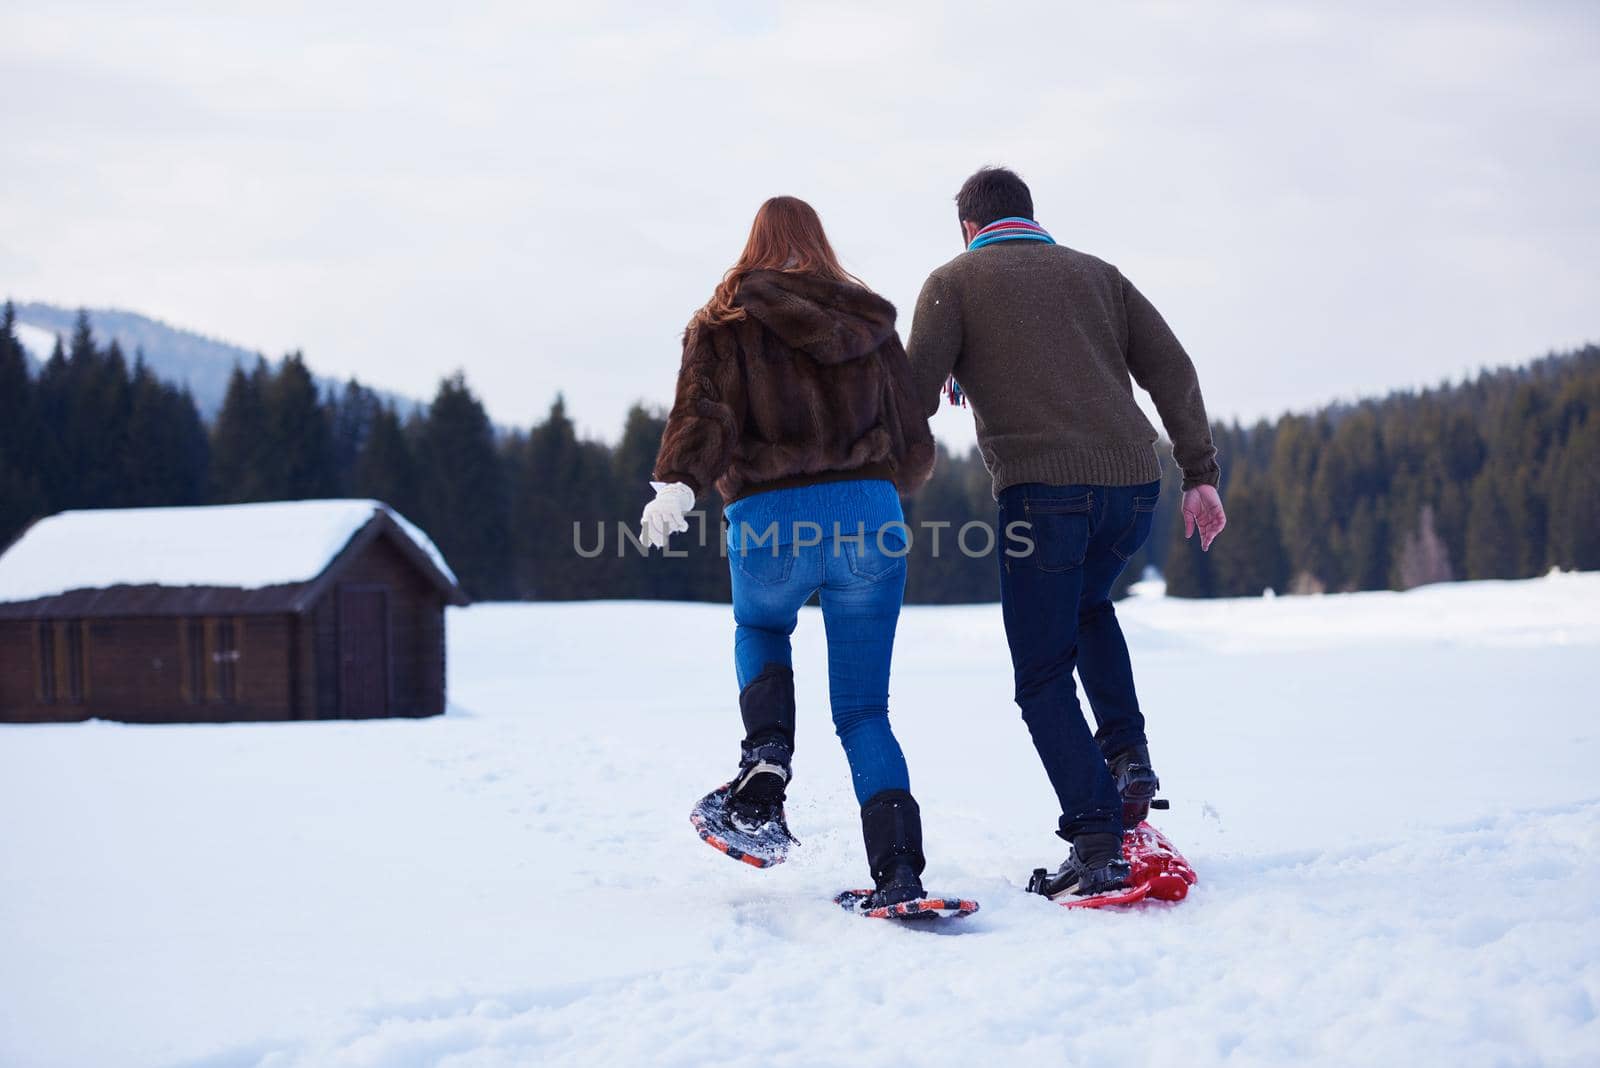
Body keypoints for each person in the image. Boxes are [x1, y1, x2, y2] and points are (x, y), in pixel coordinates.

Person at [906, 166, 1228, 898]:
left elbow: (911, 393)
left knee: (1041, 673)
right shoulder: (1097, 274)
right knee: (1089, 607)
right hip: (1133, 486)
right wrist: (1200, 471)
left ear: (967, 227)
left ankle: (1095, 836)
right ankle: (1126, 759)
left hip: (1044, 494)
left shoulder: (952, 282)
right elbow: (1172, 368)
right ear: (1028, 214)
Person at [640, 195, 939, 909]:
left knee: (762, 627)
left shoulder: (723, 321)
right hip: (871, 515)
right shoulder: (868, 321)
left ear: (756, 244)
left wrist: (676, 487)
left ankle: (766, 759)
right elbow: (914, 444)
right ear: (820, 243)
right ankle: (899, 876)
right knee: (866, 711)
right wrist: (874, 491)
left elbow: (701, 416)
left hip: (769, 519)